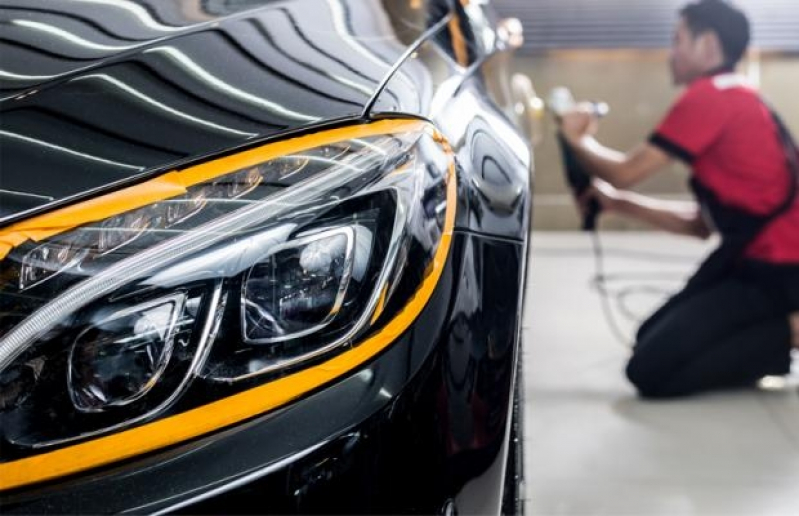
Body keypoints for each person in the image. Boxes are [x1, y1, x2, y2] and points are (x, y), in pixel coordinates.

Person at [557, 0, 799, 398]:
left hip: (778, 273)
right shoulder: (738, 94)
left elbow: (624, 171)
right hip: (746, 258)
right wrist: (617, 203)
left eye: (678, 41)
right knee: (646, 338)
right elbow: (699, 226)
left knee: (648, 372)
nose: (672, 53)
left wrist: (577, 138)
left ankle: (788, 331)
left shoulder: (709, 97)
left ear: (707, 45)